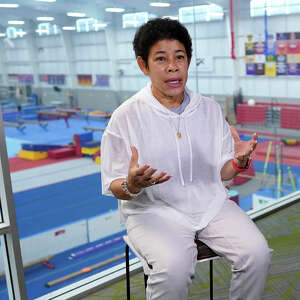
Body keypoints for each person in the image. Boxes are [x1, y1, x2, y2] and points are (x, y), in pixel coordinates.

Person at [101, 18, 272, 300]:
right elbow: (114, 185)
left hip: (209, 204)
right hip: (153, 211)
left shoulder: (209, 109)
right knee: (173, 270)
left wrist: (238, 163)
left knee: (256, 254)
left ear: (189, 60)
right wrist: (132, 184)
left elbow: (223, 173)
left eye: (179, 57)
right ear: (143, 65)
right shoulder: (125, 117)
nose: (173, 66)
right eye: (161, 59)